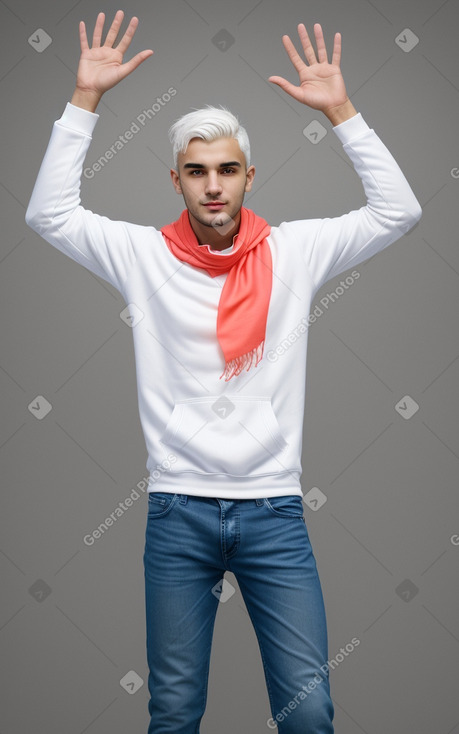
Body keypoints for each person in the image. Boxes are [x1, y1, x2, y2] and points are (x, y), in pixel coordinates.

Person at [25, 10, 422, 733]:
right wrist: (84, 100)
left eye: (228, 170)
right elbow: (49, 215)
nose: (214, 187)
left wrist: (340, 110)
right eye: (198, 171)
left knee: (309, 714)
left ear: (248, 176)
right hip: (178, 512)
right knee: (173, 712)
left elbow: (398, 211)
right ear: (175, 179)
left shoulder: (294, 253)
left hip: (274, 514)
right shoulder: (143, 256)